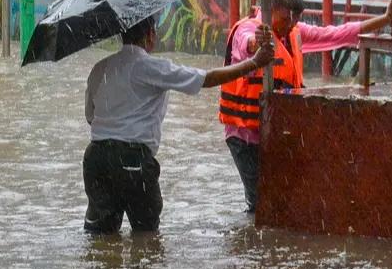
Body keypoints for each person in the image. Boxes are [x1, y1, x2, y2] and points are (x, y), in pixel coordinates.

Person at [84, 15, 274, 234]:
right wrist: (254, 62)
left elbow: (90, 117)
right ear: (150, 35)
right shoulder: (152, 67)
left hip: (95, 158)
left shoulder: (99, 68)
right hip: (133, 160)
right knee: (146, 236)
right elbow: (206, 79)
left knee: (100, 235)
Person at [220, 0, 392, 212]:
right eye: (285, 19)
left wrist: (384, 19)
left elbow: (337, 34)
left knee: (283, 198)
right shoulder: (248, 29)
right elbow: (246, 44)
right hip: (245, 135)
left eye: (295, 20)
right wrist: (258, 44)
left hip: (278, 131)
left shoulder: (295, 32)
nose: (290, 25)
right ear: (270, 10)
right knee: (260, 202)